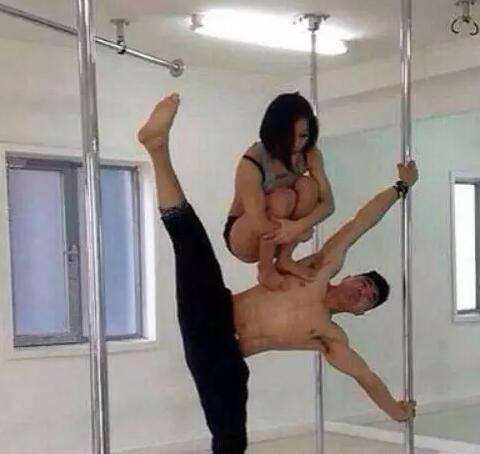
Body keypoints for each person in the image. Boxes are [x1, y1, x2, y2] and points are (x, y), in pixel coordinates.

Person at [137, 94, 417, 454]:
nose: (363, 293)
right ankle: (157, 147)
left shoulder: (329, 337)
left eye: (369, 299)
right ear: (349, 276)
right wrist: (400, 187)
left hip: (221, 353)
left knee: (231, 439)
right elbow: (360, 223)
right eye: (364, 284)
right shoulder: (319, 268)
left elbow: (367, 378)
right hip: (213, 307)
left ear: (361, 312)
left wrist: (397, 412)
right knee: (190, 240)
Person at [224, 92, 334, 290]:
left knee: (309, 186)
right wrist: (297, 233)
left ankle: (284, 259)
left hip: (281, 234)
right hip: (244, 237)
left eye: (303, 136)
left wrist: (298, 227)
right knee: (283, 197)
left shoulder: (310, 154)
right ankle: (265, 269)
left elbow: (328, 204)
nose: (297, 144)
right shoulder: (252, 163)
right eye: (290, 136)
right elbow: (259, 223)